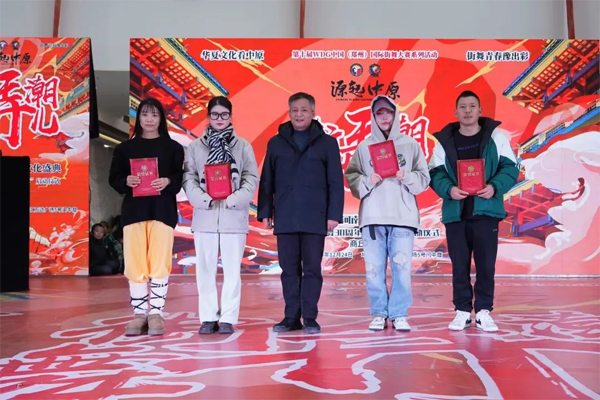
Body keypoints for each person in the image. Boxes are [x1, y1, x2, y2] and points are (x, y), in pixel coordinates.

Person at [428, 90, 518, 332]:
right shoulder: (444, 141)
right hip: (456, 213)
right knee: (459, 266)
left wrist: (494, 187)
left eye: (472, 106)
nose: (467, 111)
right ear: (455, 112)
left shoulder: (496, 137)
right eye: (463, 107)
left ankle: (484, 311)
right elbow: (435, 172)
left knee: (486, 265)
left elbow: (511, 168)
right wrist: (449, 189)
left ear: (480, 111)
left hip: (486, 211)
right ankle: (462, 311)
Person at [257, 92, 344, 334]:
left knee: (312, 270)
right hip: (286, 216)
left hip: (315, 217)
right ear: (289, 112)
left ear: (313, 113)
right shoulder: (276, 142)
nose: (299, 114)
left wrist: (333, 214)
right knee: (289, 271)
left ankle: (310, 317)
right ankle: (290, 317)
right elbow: (267, 180)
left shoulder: (327, 143)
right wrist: (265, 211)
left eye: (304, 110)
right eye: (294, 110)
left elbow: (335, 182)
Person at [345, 95, 430, 332]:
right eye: (379, 113)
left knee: (401, 269)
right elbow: (352, 176)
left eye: (388, 112)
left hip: (402, 216)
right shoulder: (364, 147)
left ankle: (399, 313)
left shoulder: (410, 145)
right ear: (373, 117)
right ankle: (379, 312)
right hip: (373, 217)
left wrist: (407, 176)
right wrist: (367, 180)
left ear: (395, 114)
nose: (384, 117)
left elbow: (424, 179)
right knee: (373, 270)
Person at [183, 96, 259, 335]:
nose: (219, 119)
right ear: (208, 116)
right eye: (215, 114)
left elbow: (251, 178)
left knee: (232, 271)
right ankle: (208, 317)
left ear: (230, 116)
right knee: (204, 270)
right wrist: (204, 199)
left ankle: (227, 318)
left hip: (233, 216)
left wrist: (233, 199)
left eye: (224, 114)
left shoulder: (243, 146)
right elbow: (188, 178)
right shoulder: (195, 147)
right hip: (205, 216)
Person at [108, 97, 184, 336]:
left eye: (154, 114)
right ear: (138, 117)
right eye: (145, 114)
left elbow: (179, 178)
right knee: (135, 263)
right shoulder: (124, 149)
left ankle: (156, 314)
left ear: (161, 119)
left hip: (162, 211)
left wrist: (168, 181)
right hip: (134, 212)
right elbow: (114, 179)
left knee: (160, 262)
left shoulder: (173, 148)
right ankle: (139, 314)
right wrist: (126, 181)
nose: (149, 119)